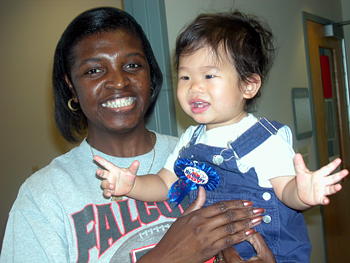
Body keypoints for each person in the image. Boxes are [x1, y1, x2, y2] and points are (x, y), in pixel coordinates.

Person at [0, 7, 274, 263]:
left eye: (132, 66)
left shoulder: (202, 155)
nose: (119, 82)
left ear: (151, 75)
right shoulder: (43, 196)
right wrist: (167, 256)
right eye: (93, 70)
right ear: (71, 85)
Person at [95, 11, 349, 262]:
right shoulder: (190, 140)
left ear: (248, 85)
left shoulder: (265, 139)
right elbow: (164, 184)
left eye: (208, 75)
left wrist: (303, 194)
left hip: (270, 253)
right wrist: (132, 185)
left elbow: (287, 192)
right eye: (185, 77)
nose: (194, 86)